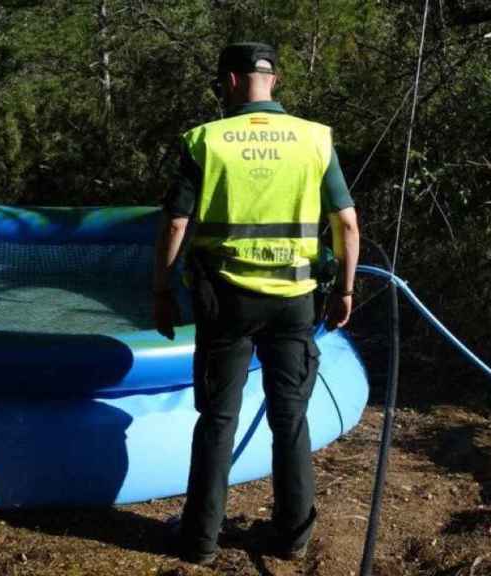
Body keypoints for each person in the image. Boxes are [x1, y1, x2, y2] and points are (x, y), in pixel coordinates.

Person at [152, 42, 361, 564]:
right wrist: (346, 290)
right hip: (294, 302)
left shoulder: (206, 140)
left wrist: (161, 288)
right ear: (276, 81)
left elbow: (177, 223)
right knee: (290, 417)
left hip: (225, 302)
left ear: (228, 82)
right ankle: (292, 539)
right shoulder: (315, 140)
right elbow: (347, 223)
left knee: (218, 418)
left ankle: (198, 541)